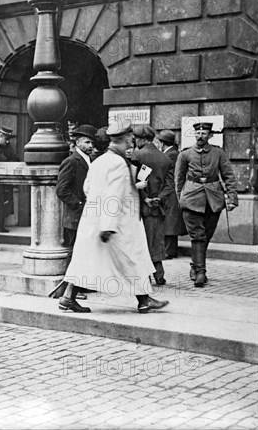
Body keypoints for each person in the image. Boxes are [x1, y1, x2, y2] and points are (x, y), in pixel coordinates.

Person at [60, 119, 169, 314]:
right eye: (130, 138)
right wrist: (109, 226)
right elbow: (114, 195)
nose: (131, 142)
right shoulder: (119, 164)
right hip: (116, 223)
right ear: (125, 138)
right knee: (133, 258)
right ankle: (144, 300)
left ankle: (68, 297)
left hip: (94, 219)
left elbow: (87, 188)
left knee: (86, 259)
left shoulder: (100, 160)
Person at [175, 122, 238, 287]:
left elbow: (228, 176)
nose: (200, 136)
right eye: (197, 133)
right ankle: (201, 271)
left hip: (213, 200)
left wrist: (231, 197)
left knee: (206, 235)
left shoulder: (218, 153)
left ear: (210, 135)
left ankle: (195, 266)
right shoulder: (185, 154)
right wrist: (180, 198)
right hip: (191, 199)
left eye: (204, 133)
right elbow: (179, 179)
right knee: (198, 236)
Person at [52, 124, 96, 304]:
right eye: (87, 142)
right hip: (75, 216)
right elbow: (61, 189)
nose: (90, 145)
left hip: (85, 215)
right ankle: (70, 290)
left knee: (83, 251)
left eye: (92, 142)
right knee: (74, 253)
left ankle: (80, 285)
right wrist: (78, 204)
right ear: (77, 142)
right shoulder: (71, 161)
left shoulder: (88, 159)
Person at [131, 124, 172, 286]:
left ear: (141, 139)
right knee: (156, 240)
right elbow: (170, 184)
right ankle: (159, 275)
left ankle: (144, 276)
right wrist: (158, 199)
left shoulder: (137, 155)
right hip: (158, 207)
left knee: (141, 242)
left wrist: (146, 197)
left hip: (140, 206)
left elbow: (134, 181)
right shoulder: (165, 158)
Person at [157, 130, 186, 259]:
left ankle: (169, 251)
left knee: (170, 222)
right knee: (170, 222)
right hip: (172, 191)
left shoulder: (171, 155)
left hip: (170, 192)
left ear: (162, 142)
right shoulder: (173, 153)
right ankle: (169, 250)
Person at [0, 127, 18, 232]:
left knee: (6, 202)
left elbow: (14, 158)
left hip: (7, 179)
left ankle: (1, 225)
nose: (7, 140)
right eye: (5, 138)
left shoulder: (9, 147)